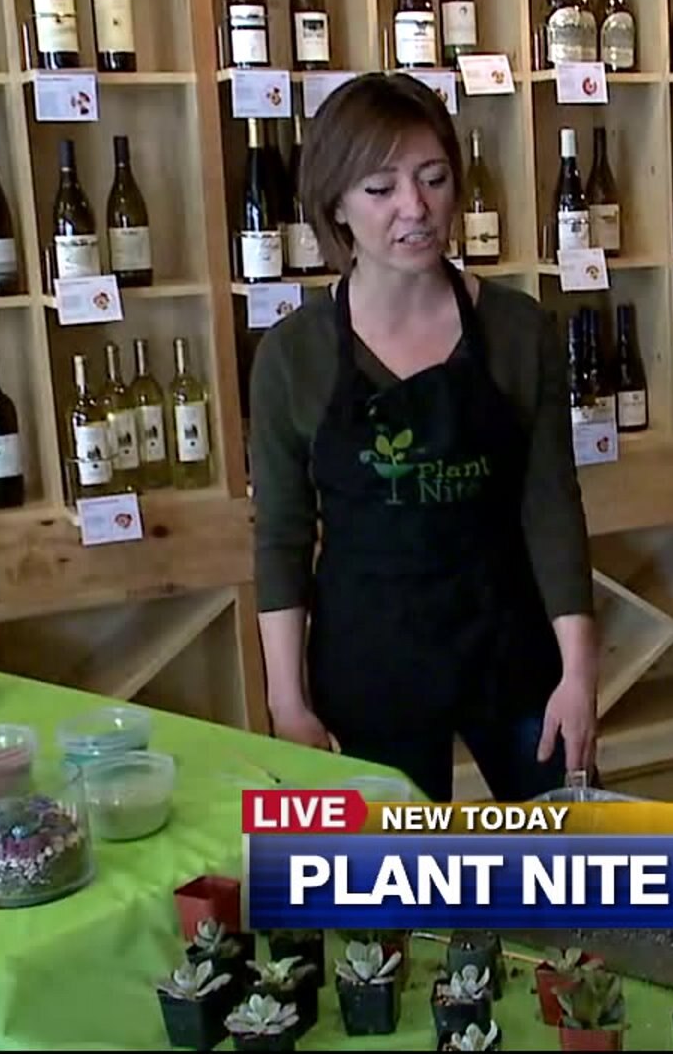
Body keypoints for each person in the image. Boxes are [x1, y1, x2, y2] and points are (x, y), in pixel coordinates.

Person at [248, 72, 597, 803]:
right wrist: (287, 701)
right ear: (335, 205)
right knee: (397, 871)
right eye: (381, 188)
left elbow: (552, 507)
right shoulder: (293, 355)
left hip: (510, 648)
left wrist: (579, 671)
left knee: (574, 855)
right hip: (371, 663)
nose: (415, 207)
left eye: (433, 179)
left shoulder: (517, 330)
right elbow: (281, 538)